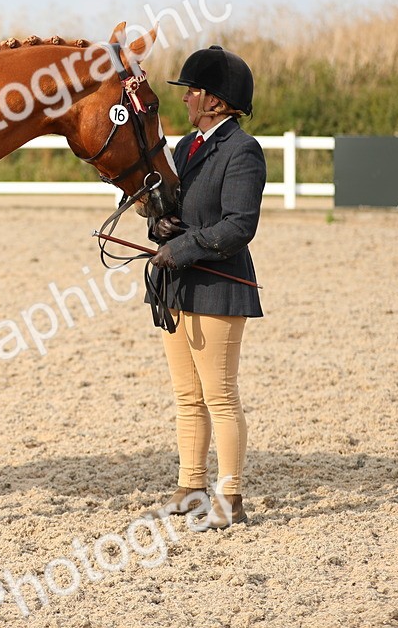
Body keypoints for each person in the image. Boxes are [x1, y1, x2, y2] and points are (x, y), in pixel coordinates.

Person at [145, 45, 266, 530]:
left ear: (216, 100)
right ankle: (191, 488)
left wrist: (183, 247)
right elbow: (176, 208)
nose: (185, 98)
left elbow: (239, 225)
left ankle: (230, 496)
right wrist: (160, 225)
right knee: (186, 395)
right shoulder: (184, 148)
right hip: (177, 286)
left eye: (192, 91)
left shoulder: (242, 151)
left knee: (220, 395)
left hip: (218, 284)